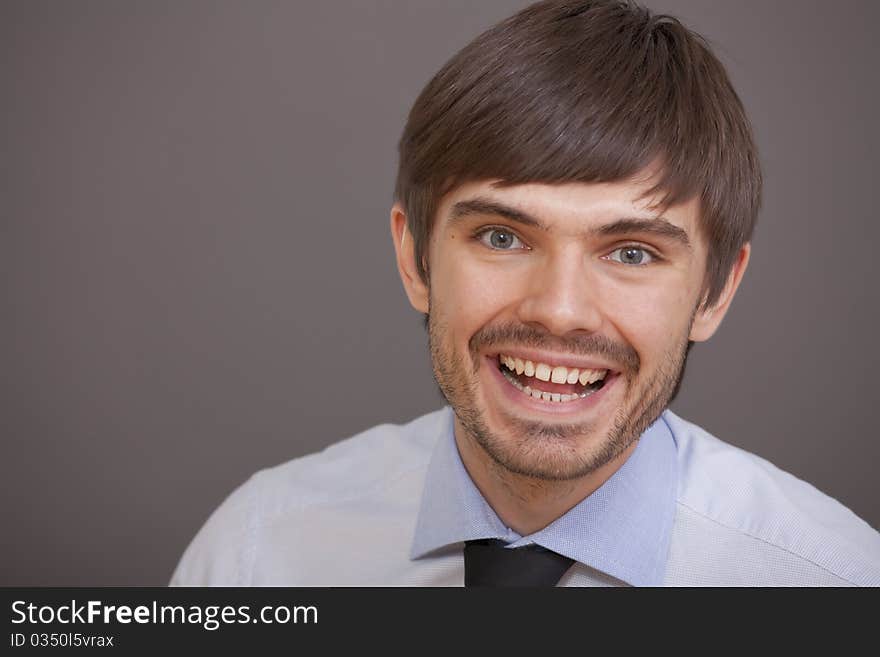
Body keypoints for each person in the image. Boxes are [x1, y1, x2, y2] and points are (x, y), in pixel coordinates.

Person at [171, 0, 880, 586]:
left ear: (715, 294)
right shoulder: (254, 557)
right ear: (414, 258)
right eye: (502, 237)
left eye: (631, 252)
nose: (559, 309)